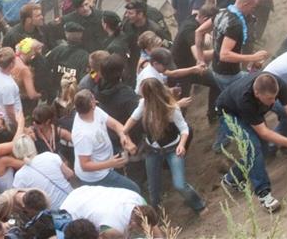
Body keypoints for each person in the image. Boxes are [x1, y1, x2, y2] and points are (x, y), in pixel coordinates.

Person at [216, 71, 287, 212]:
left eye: (275, 97)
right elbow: (263, 132)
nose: (273, 101)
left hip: (249, 107)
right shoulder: (245, 99)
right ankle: (264, 194)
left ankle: (232, 178)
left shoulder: (278, 85)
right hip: (229, 113)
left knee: (263, 150)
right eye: (270, 99)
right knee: (252, 147)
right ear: (257, 93)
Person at [122, 77, 206, 213]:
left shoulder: (171, 109)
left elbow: (184, 129)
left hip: (172, 149)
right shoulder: (143, 104)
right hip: (152, 150)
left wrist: (182, 145)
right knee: (153, 187)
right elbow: (131, 120)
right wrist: (124, 134)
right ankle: (155, 211)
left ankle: (199, 205)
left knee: (179, 184)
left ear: (151, 96)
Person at [70, 88, 140, 192]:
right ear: (92, 104)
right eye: (94, 99)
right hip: (96, 176)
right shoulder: (82, 135)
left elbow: (115, 125)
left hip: (106, 162)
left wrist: (124, 138)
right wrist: (110, 163)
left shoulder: (95, 111)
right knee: (133, 190)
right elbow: (85, 165)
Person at [60, 186, 156, 235]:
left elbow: (153, 226)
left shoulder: (138, 199)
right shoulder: (114, 226)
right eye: (142, 230)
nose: (145, 232)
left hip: (81, 191)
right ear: (134, 223)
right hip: (67, 212)